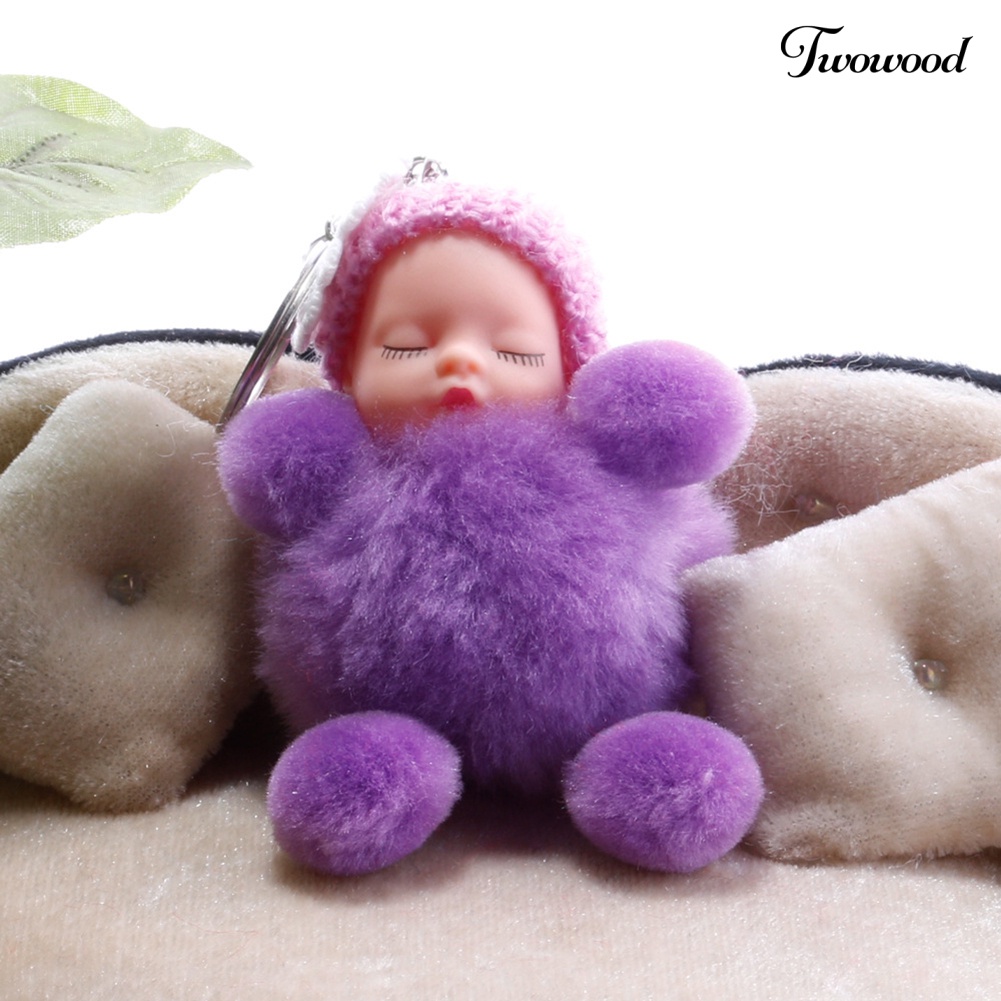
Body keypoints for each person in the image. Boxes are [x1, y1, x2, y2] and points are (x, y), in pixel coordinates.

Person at [219, 161, 763, 875]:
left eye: (514, 349)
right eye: (406, 346)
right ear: (348, 372)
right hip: (387, 720)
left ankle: (633, 757)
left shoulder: (609, 455)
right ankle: (384, 758)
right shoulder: (342, 467)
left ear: (571, 370)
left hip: (608, 714)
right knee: (350, 787)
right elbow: (263, 471)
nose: (459, 364)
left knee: (675, 785)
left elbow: (697, 488)